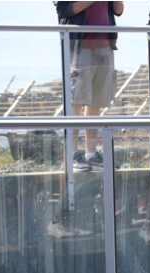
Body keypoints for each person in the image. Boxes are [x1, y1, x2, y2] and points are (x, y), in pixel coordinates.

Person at [55, 1, 124, 172]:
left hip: (105, 44)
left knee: (96, 102)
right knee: (76, 100)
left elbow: (118, 10)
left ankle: (91, 154)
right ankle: (72, 155)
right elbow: (66, 10)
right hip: (79, 45)